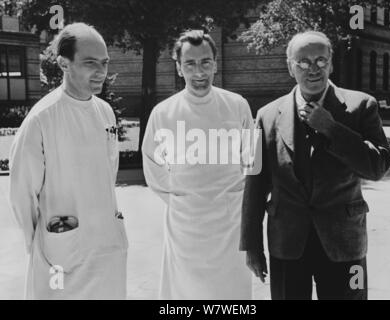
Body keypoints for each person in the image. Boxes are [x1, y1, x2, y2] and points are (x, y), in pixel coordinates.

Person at [240, 30, 390, 300]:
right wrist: (252, 245)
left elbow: (377, 166)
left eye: (321, 61)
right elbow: (255, 183)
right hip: (286, 243)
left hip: (344, 243)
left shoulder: (361, 106)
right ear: (290, 67)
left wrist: (332, 129)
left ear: (331, 64)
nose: (313, 69)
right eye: (303, 62)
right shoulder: (266, 116)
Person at [8, 23, 128, 299]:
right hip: (60, 255)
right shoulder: (42, 119)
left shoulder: (106, 113)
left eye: (105, 63)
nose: (101, 72)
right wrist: (47, 243)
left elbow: (107, 175)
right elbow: (21, 195)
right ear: (64, 63)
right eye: (90, 63)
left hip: (107, 247)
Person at [142, 30, 253, 299]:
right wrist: (181, 196)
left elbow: (254, 162)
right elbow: (153, 164)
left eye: (205, 62)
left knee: (230, 294)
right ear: (179, 68)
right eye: (189, 64)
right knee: (185, 293)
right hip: (185, 224)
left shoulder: (237, 105)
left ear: (215, 63)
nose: (199, 72)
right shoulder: (163, 112)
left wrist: (235, 198)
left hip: (230, 224)